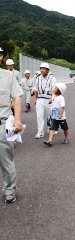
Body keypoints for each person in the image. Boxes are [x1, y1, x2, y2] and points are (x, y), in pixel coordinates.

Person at [0, 48, 23, 203]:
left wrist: (17, 120)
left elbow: (16, 98)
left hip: (2, 124)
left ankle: (9, 189)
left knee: (6, 160)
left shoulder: (8, 76)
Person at [33, 62, 57, 139]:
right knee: (39, 116)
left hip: (49, 99)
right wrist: (35, 99)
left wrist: (52, 98)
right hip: (40, 99)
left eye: (43, 69)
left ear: (47, 70)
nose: (42, 70)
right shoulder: (38, 78)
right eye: (41, 69)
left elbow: (54, 89)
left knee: (50, 115)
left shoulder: (52, 78)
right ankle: (40, 132)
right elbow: (36, 89)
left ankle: (52, 128)